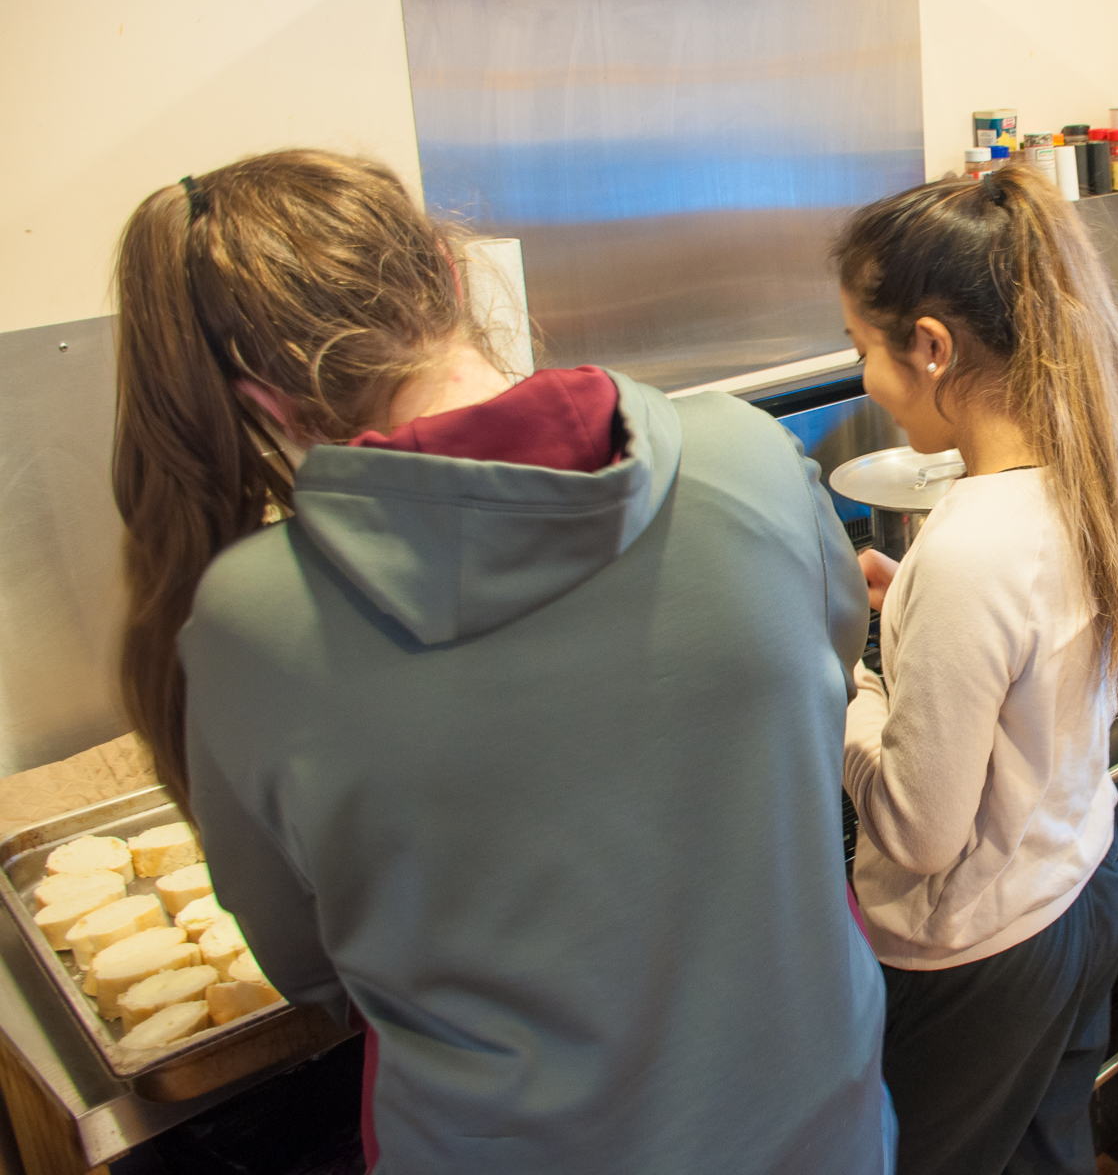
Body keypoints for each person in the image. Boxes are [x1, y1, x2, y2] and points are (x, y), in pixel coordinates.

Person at [110, 150, 893, 1175]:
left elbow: (311, 965)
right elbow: (821, 692)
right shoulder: (747, 452)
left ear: (265, 405)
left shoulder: (252, 621)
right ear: (450, 272)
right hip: (821, 1121)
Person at [836, 164, 1118, 1175]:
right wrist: (909, 615)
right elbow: (1022, 656)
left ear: (931, 347)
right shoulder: (1084, 472)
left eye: (862, 349)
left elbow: (918, 834)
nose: (864, 378)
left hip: (977, 955)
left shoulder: (968, 549)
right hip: (1081, 887)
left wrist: (840, 684)